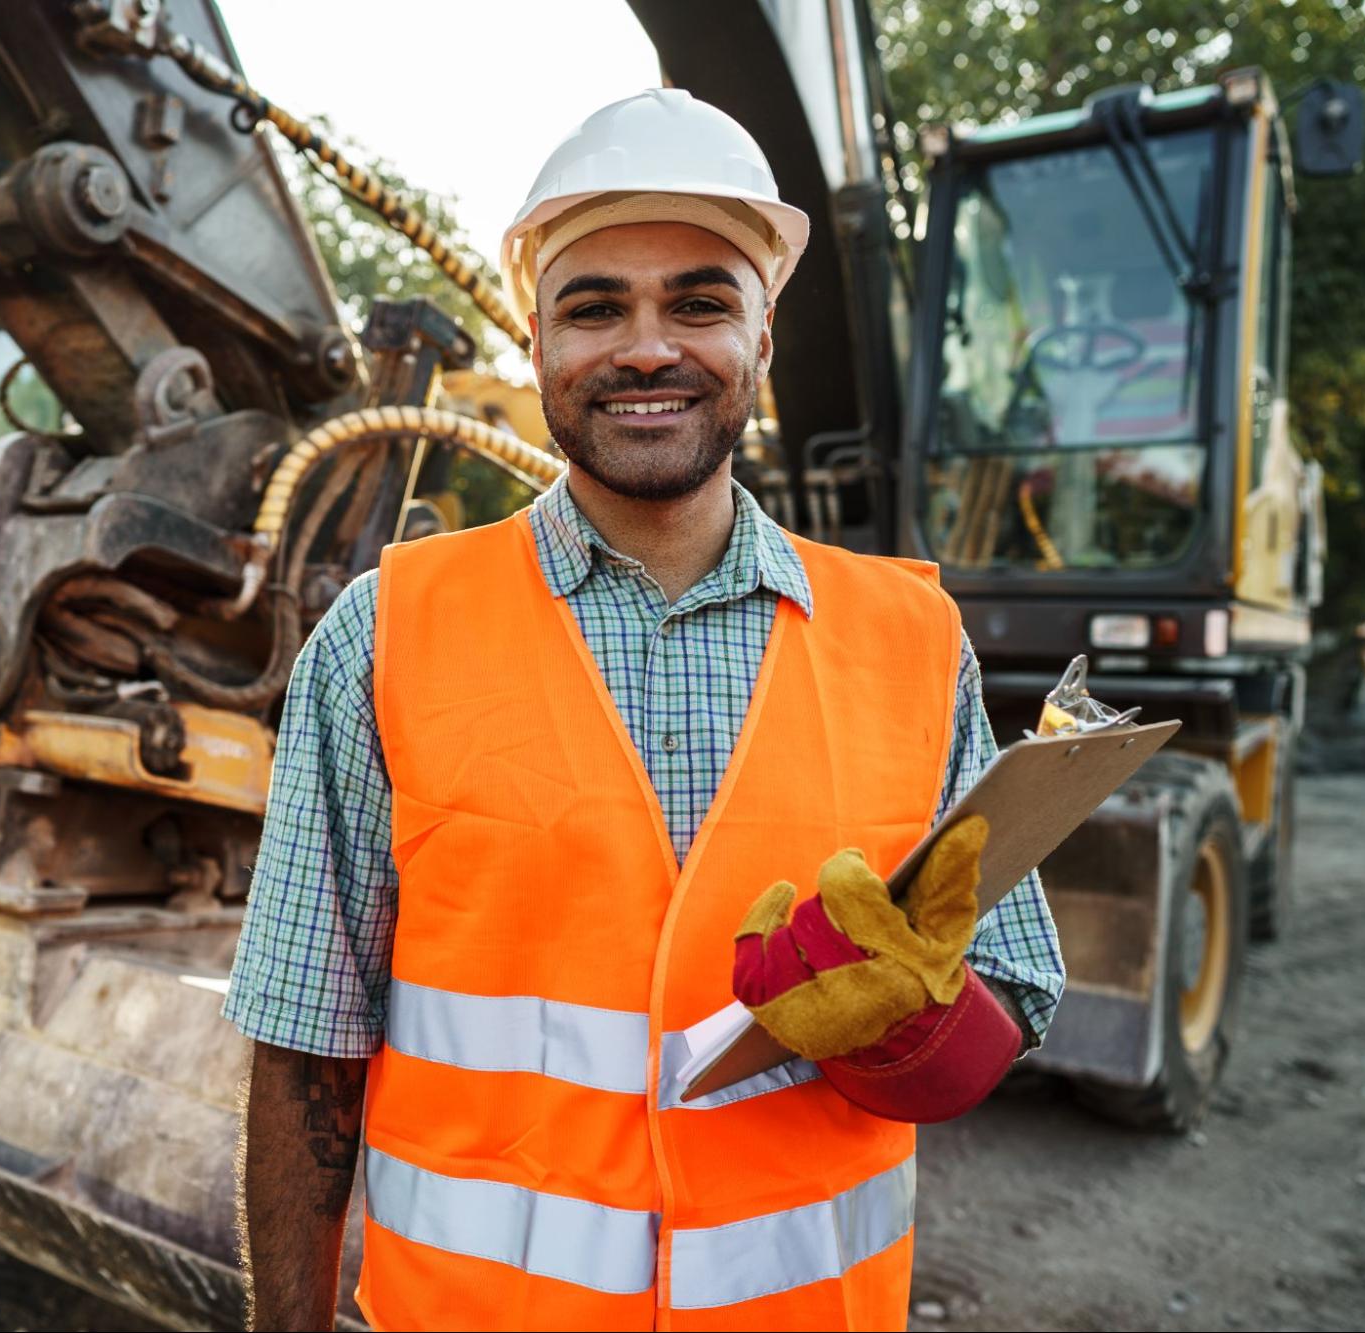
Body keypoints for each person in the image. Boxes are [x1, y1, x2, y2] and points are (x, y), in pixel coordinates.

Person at [224, 88, 1065, 1332]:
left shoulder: (910, 641)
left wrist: (902, 1022)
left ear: (763, 341)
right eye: (595, 305)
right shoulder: (386, 632)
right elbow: (305, 1046)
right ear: (535, 344)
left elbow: (1010, 997)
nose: (646, 346)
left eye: (700, 301)